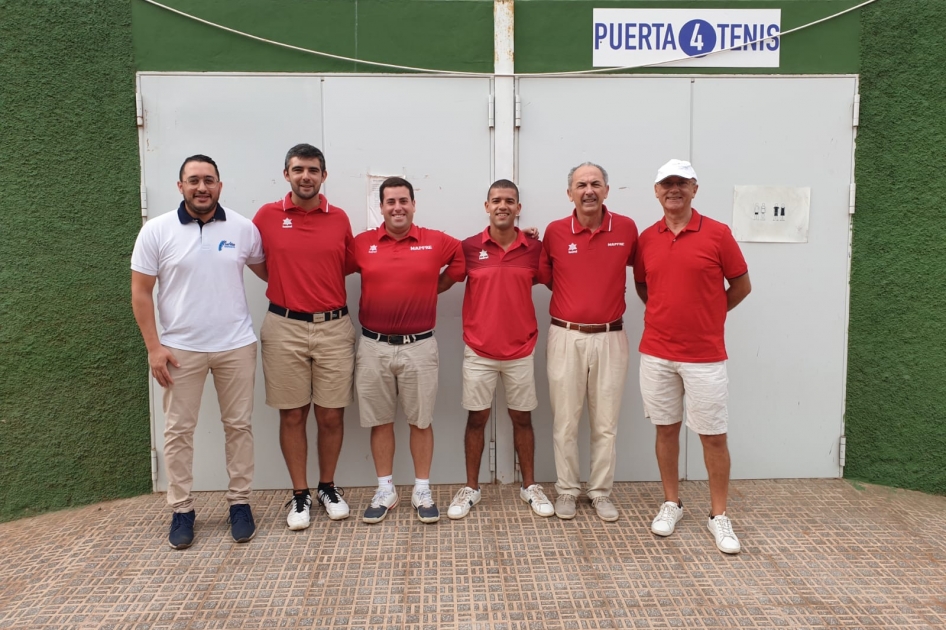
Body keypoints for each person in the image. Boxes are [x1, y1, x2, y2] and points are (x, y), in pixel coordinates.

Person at [131, 155, 266, 549]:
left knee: (239, 427)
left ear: (220, 186)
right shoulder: (156, 231)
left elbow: (274, 272)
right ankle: (182, 509)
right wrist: (154, 347)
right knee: (178, 431)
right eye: (193, 180)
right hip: (179, 350)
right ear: (180, 186)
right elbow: (141, 292)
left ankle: (239, 504)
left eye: (209, 180)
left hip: (236, 346)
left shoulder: (243, 228)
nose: (201, 187)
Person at [634, 159, 751, 554]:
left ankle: (719, 516)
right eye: (667, 184)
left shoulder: (717, 234)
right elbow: (643, 287)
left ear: (694, 189)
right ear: (656, 191)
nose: (674, 190)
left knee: (713, 436)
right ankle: (672, 503)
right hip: (657, 353)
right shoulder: (647, 238)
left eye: (682, 183)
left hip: (704, 356)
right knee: (665, 429)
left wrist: (710, 313)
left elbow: (741, 285)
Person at [347, 177, 465, 524]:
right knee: (380, 421)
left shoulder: (435, 242)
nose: (397, 207)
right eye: (390, 202)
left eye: (403, 201)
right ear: (380, 207)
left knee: (420, 420)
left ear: (414, 204)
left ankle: (421, 489)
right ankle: (385, 489)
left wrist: (433, 286)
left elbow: (461, 259)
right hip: (373, 346)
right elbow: (330, 266)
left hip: (420, 347)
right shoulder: (362, 244)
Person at [253, 144, 357, 529]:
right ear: (287, 175)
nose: (306, 176)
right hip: (283, 327)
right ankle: (299, 496)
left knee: (331, 414)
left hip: (333, 326)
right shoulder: (267, 216)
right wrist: (286, 286)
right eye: (298, 170)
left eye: (313, 170)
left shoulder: (339, 218)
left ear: (324, 175)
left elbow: (347, 264)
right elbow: (256, 260)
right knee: (292, 414)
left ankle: (328, 487)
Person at [440, 180, 554, 520]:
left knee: (522, 418)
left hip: (521, 348)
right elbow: (443, 282)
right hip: (479, 350)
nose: (502, 205)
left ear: (519, 208)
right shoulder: (469, 248)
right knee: (477, 418)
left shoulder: (534, 249)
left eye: (510, 201)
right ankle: (471, 488)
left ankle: (530, 486)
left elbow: (551, 279)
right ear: (486, 206)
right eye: (496, 200)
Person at [537, 163, 638, 522]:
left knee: (606, 422)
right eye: (581, 185)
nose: (589, 190)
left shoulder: (625, 229)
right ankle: (566, 490)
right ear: (570, 194)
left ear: (607, 190)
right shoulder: (555, 232)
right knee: (565, 420)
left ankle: (599, 492)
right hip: (566, 335)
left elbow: (641, 274)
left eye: (596, 184)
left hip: (611, 337)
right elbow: (549, 277)